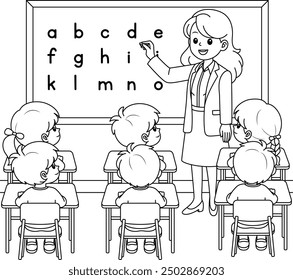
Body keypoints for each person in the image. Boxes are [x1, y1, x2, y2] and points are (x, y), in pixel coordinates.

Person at [140, 9, 243, 215]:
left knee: (212, 164)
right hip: (193, 122)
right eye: (195, 41)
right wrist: (152, 57)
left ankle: (214, 200)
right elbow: (169, 75)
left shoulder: (223, 74)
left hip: (213, 126)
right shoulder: (193, 69)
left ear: (222, 45)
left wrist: (226, 123)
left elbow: (226, 99)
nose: (200, 46)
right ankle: (197, 199)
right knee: (195, 162)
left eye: (208, 41)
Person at [11, 142, 66, 254]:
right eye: (54, 166)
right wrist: (63, 199)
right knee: (52, 226)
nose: (58, 167)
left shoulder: (27, 193)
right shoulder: (54, 192)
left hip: (28, 229)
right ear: (44, 175)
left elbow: (18, 203)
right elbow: (62, 203)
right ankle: (49, 242)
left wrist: (19, 197)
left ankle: (31, 242)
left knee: (27, 226)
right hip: (51, 229)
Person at [226, 141, 278, 251]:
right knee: (265, 223)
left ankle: (243, 239)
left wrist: (229, 196)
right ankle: (261, 239)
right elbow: (274, 200)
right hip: (263, 226)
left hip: (241, 225)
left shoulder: (238, 189)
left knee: (240, 224)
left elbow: (230, 200)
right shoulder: (265, 190)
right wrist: (273, 194)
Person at [115, 144, 166, 254]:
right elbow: (162, 203)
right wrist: (163, 198)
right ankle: (149, 242)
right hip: (152, 229)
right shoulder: (154, 192)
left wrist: (119, 198)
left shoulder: (127, 193)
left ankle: (132, 242)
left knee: (127, 227)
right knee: (154, 227)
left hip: (129, 229)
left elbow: (118, 203)